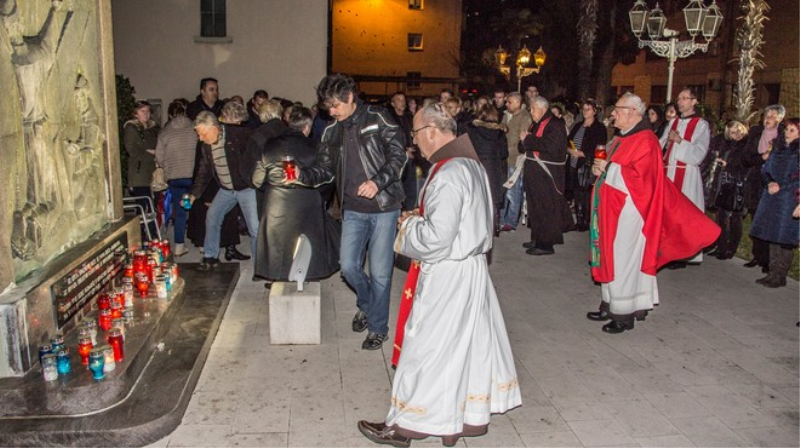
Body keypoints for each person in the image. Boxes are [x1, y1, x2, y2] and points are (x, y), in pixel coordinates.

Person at [357, 102, 521, 448]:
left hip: (448, 272)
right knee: (465, 347)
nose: (414, 142)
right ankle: (466, 417)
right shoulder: (470, 163)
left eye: (416, 133)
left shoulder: (448, 172)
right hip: (471, 269)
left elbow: (436, 239)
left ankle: (407, 425)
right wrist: (423, 218)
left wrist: (408, 226)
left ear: (432, 131)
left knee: (428, 347)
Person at [587, 93, 719, 333]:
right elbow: (613, 167)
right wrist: (601, 169)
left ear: (633, 112)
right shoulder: (623, 137)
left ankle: (623, 314)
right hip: (613, 208)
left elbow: (643, 178)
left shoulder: (646, 140)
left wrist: (610, 168)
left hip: (631, 211)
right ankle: (610, 303)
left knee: (623, 259)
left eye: (617, 109)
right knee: (609, 254)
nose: (613, 113)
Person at [296, 74, 407, 350]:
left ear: (349, 97)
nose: (331, 111)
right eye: (327, 107)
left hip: (384, 208)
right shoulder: (331, 132)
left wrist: (377, 182)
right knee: (348, 267)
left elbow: (399, 156)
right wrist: (302, 175)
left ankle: (378, 328)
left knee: (380, 273)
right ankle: (368, 305)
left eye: (335, 105)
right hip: (353, 210)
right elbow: (324, 170)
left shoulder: (378, 117)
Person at [252, 107, 340, 282]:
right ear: (307, 126)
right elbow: (327, 175)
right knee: (307, 241)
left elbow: (257, 179)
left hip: (275, 200)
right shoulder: (315, 146)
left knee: (278, 243)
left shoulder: (270, 144)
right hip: (306, 200)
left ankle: (278, 276)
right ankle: (306, 274)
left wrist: (269, 186)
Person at [190, 110, 260, 271]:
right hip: (226, 189)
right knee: (213, 216)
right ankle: (210, 256)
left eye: (203, 134)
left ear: (214, 128)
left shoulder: (238, 135)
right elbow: (203, 172)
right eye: (199, 135)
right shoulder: (206, 146)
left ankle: (260, 266)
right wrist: (194, 194)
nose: (200, 138)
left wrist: (255, 177)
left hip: (246, 188)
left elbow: (258, 152)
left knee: (254, 227)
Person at [659, 88, 711, 268]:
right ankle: (667, 251)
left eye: (684, 98)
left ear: (694, 101)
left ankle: (682, 254)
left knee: (683, 216)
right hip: (668, 172)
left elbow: (700, 152)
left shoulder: (701, 124)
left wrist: (681, 141)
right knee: (667, 214)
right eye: (679, 98)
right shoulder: (672, 122)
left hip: (686, 173)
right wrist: (665, 144)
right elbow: (661, 144)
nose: (680, 102)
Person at [520, 96, 573, 255]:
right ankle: (537, 238)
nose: (531, 112)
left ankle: (546, 244)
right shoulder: (537, 123)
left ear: (543, 109)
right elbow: (527, 144)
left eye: (533, 109)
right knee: (535, 207)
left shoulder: (555, 125)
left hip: (547, 175)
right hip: (535, 173)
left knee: (545, 208)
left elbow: (550, 146)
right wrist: (525, 140)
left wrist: (528, 139)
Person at [749, 118, 800, 288]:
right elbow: (765, 170)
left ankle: (780, 275)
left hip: (789, 198)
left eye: (792, 130)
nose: (787, 133)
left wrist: (782, 186)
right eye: (786, 129)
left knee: (784, 237)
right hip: (771, 196)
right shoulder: (777, 148)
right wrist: (769, 182)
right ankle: (772, 273)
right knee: (772, 233)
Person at [742, 104, 786, 272]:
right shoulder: (755, 132)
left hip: (773, 182)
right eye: (767, 115)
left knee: (769, 219)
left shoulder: (784, 135)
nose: (769, 118)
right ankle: (757, 255)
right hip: (755, 180)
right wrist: (762, 157)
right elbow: (746, 158)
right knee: (756, 218)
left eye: (773, 116)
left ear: (780, 119)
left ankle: (768, 260)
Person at [155, 99, 197, 256]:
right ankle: (201, 243)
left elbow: (159, 156)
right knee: (197, 209)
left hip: (175, 177)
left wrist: (167, 168)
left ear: (170, 114)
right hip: (192, 175)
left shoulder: (165, 132)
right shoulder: (194, 128)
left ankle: (179, 245)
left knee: (180, 211)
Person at [708, 120, 749, 260]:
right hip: (724, 184)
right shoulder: (727, 145)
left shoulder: (747, 146)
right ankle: (721, 246)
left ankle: (731, 248)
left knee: (735, 218)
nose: (737, 134)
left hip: (739, 186)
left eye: (739, 130)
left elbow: (746, 167)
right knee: (722, 217)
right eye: (733, 132)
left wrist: (729, 166)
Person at [567, 99, 608, 232]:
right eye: (583, 109)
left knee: (586, 193)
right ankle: (579, 221)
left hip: (587, 164)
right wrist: (570, 150)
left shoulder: (599, 128)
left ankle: (586, 221)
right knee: (577, 193)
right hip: (573, 162)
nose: (585, 111)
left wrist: (583, 153)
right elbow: (568, 140)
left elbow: (600, 146)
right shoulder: (578, 125)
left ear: (594, 111)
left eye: (588, 109)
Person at [467, 104, 508, 235]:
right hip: (495, 168)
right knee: (493, 197)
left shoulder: (474, 131)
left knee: (479, 197)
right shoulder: (500, 133)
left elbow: (468, 150)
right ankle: (494, 224)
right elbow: (504, 153)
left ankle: (479, 227)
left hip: (478, 167)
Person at [499, 92, 532, 232]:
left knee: (514, 191)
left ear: (518, 103)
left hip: (515, 159)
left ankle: (511, 221)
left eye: (510, 102)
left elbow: (522, 140)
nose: (507, 104)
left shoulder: (524, 117)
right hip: (504, 158)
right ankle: (501, 219)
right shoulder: (506, 115)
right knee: (504, 190)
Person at [123, 100, 160, 221]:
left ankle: (152, 229)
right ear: (135, 113)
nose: (146, 114)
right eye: (142, 111)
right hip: (140, 174)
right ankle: (143, 230)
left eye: (148, 111)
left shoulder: (154, 129)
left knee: (154, 205)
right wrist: (150, 153)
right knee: (144, 205)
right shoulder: (131, 128)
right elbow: (132, 150)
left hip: (153, 172)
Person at [388, 92, 419, 210]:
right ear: (393, 103)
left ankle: (409, 212)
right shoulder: (389, 119)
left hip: (412, 158)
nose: (402, 102)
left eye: (403, 100)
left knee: (411, 188)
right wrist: (404, 150)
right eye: (399, 100)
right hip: (398, 157)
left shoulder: (410, 118)